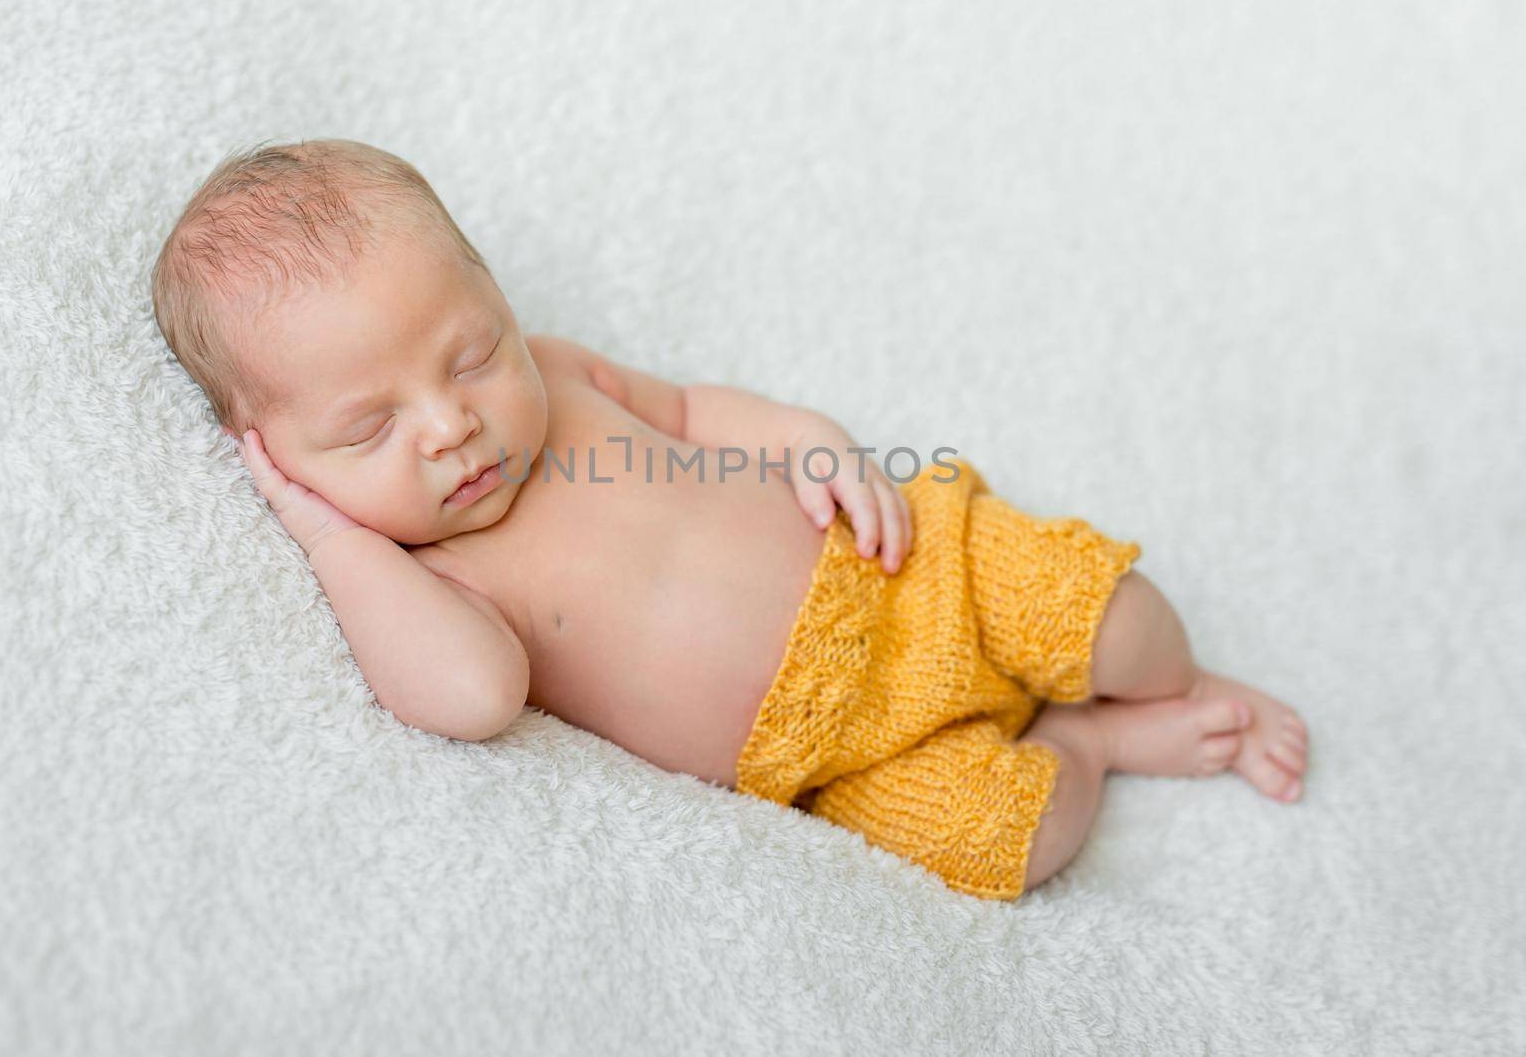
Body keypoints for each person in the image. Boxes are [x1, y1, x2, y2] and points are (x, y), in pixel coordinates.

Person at [150, 138, 1309, 900]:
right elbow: (471, 698)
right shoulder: (429, 579)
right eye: (365, 432)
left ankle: (1134, 685)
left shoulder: (559, 374)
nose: (450, 426)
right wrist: (330, 539)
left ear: (499, 300)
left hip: (903, 565)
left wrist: (819, 448)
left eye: (469, 353)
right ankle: (1089, 740)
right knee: (1010, 844)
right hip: (838, 754)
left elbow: (702, 411)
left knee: (1133, 625)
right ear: (276, 464)